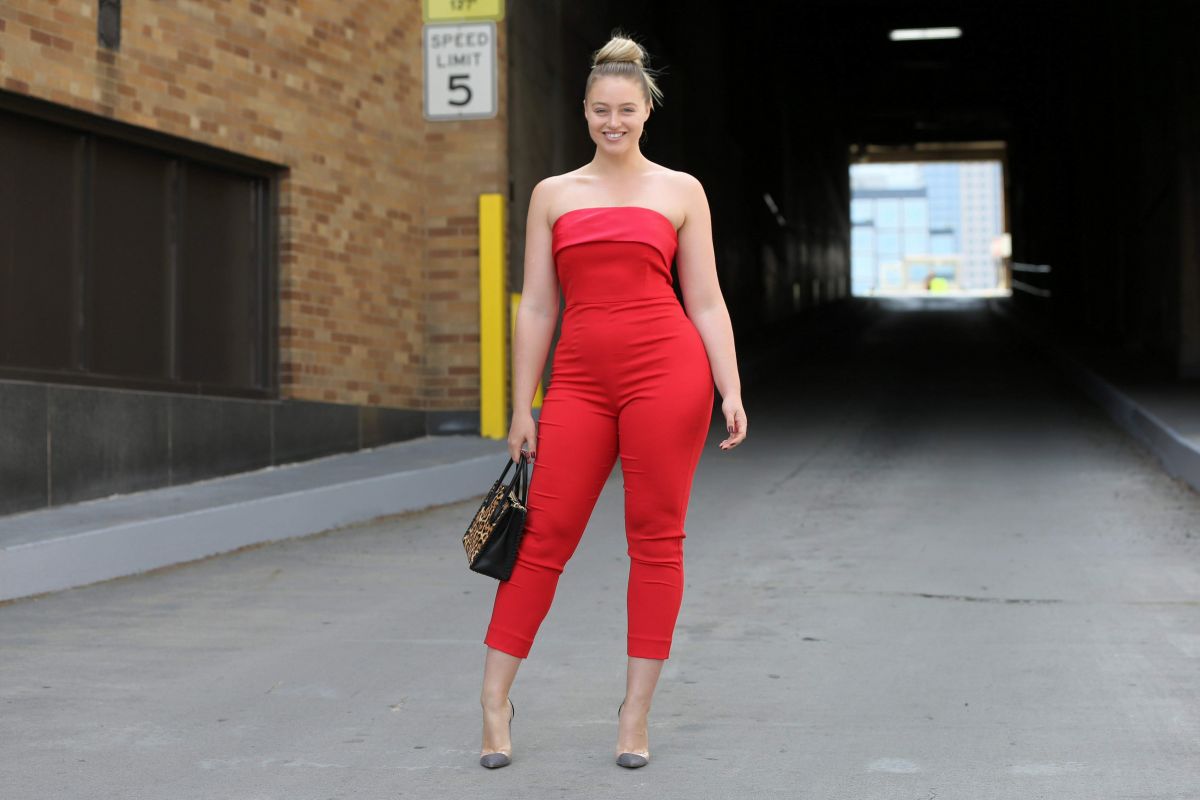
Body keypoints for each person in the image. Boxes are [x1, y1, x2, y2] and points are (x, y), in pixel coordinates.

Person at [477, 31, 747, 770]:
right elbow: (536, 306)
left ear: (647, 110)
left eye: (626, 110)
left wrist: (729, 384)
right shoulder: (554, 195)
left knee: (656, 539)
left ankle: (634, 715)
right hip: (580, 385)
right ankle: (495, 700)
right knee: (542, 537)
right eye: (601, 110)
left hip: (668, 374)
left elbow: (707, 300)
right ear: (585, 111)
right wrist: (522, 405)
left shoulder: (680, 191)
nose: (613, 122)